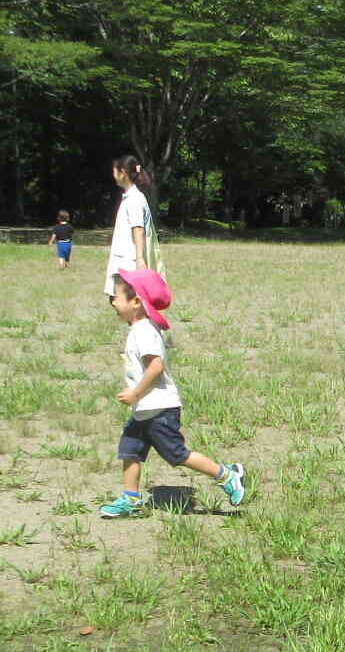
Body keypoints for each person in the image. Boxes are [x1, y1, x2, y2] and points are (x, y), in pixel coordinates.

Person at [99, 269, 246, 519]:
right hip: (146, 409)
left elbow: (156, 366)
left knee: (176, 454)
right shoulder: (139, 328)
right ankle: (131, 499)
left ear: (136, 302)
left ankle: (227, 475)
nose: (112, 301)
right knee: (129, 449)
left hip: (160, 409)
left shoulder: (144, 331)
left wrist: (135, 393)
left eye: (117, 297)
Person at [105, 155, 154, 297]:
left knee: (127, 302)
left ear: (123, 173)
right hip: (124, 259)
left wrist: (139, 259)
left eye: (114, 171)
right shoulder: (130, 197)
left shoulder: (134, 199)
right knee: (119, 301)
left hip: (128, 261)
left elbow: (138, 229)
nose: (113, 175)